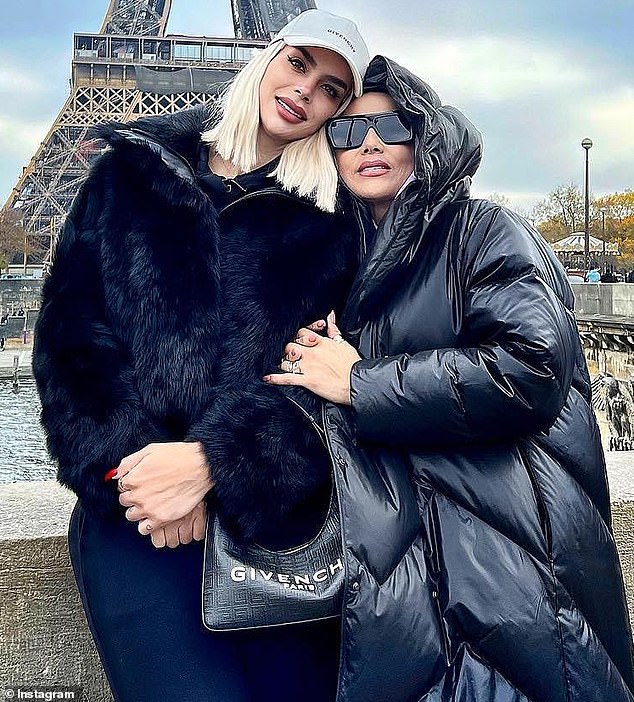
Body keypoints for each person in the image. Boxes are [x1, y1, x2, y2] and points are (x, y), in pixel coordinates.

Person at [266, 56, 634, 701]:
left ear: (425, 134)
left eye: (390, 126)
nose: (370, 144)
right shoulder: (345, 261)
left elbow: (532, 366)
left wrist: (360, 383)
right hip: (422, 576)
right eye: (348, 133)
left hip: (507, 570)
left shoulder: (484, 230)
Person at [33, 10, 369, 702]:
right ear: (267, 59)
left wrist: (214, 463)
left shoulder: (333, 232)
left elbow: (324, 385)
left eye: (333, 89)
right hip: (135, 519)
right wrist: (139, 474)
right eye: (299, 64)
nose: (307, 90)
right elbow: (70, 347)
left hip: (270, 534)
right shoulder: (126, 177)